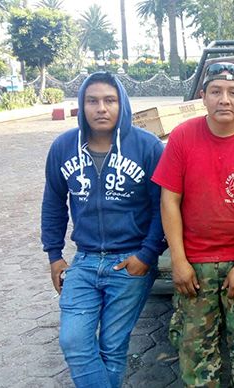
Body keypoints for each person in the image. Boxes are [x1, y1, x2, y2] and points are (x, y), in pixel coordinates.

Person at [152, 62, 234, 387]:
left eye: (233, 92)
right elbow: (169, 201)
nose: (225, 99)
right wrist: (179, 262)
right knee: (196, 355)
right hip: (195, 265)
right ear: (203, 97)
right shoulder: (182, 136)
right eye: (216, 92)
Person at [41, 71, 167, 388]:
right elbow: (54, 202)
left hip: (130, 263)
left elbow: (163, 208)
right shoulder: (63, 147)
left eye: (109, 100)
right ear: (82, 106)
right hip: (83, 261)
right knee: (74, 342)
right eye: (92, 101)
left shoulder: (148, 147)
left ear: (121, 104)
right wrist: (54, 255)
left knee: (112, 347)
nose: (101, 108)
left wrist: (148, 254)